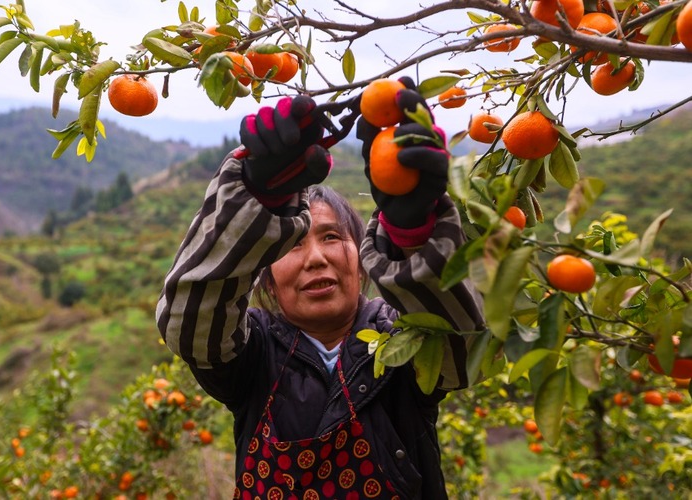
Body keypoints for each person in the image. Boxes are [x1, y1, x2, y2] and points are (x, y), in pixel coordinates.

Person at [156, 78, 485, 499]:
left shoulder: (401, 341)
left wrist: (413, 232)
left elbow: (461, 349)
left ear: (361, 256)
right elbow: (190, 323)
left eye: (331, 237)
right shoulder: (253, 352)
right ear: (266, 275)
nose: (315, 258)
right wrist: (254, 199)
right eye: (294, 243)